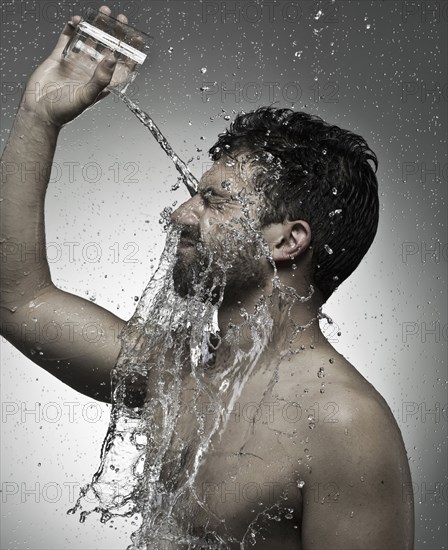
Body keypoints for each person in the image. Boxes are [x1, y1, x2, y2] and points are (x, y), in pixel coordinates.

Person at [1, 6, 414, 549]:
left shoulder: (344, 425)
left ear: (287, 241)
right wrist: (38, 117)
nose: (180, 215)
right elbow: (18, 297)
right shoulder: (174, 373)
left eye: (213, 200)